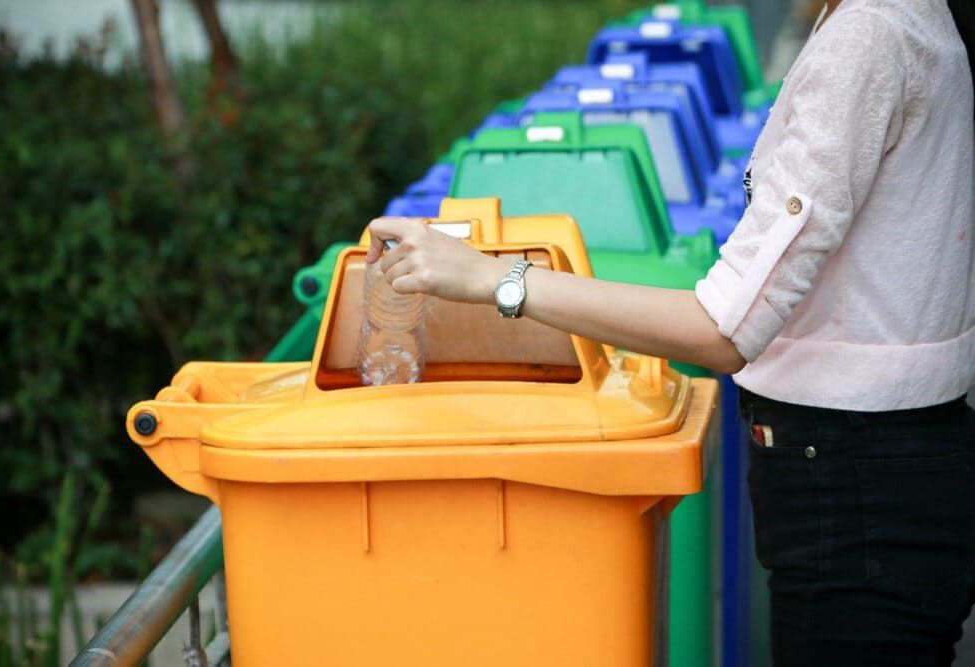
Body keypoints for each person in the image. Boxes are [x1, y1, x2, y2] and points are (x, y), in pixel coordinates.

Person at [364, 0, 974, 664]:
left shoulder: (868, 36)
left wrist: (495, 280)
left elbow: (723, 327)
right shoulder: (901, 17)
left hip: (857, 494)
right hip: (892, 474)